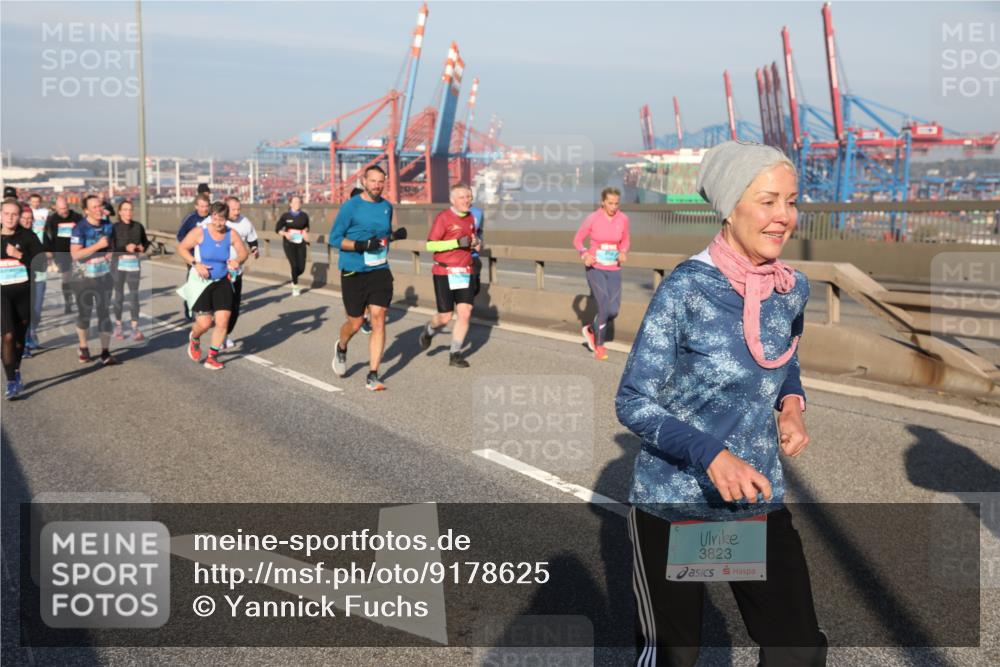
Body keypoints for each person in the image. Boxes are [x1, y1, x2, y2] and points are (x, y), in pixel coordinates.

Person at [616, 141, 825, 666]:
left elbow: (783, 359)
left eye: (791, 202)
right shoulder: (687, 289)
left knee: (796, 648)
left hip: (755, 499)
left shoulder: (789, 288)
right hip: (680, 500)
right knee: (676, 656)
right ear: (730, 207)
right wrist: (711, 453)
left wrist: (792, 405)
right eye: (768, 201)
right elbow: (633, 401)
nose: (783, 218)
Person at [327, 166, 406, 391]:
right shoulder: (350, 207)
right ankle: (341, 347)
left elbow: (381, 237)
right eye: (373, 181)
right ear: (364, 181)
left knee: (378, 318)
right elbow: (335, 239)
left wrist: (394, 236)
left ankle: (373, 374)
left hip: (379, 269)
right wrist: (360, 245)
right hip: (353, 270)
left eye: (381, 181)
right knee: (356, 322)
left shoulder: (386, 207)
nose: (377, 185)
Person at [175, 201, 248, 370]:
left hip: (222, 280)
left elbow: (243, 252)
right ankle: (195, 337)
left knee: (223, 320)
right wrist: (196, 263)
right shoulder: (201, 232)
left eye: (222, 219)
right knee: (205, 323)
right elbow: (182, 248)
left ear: (226, 218)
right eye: (215, 218)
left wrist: (237, 261)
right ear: (211, 216)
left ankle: (212, 357)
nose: (218, 223)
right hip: (202, 283)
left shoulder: (231, 234)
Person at [419, 183, 481, 368]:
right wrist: (456, 243)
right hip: (444, 271)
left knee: (465, 312)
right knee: (445, 317)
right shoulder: (443, 218)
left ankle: (455, 353)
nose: (467, 200)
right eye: (462, 197)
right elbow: (430, 245)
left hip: (465, 271)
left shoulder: (471, 218)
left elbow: (472, 239)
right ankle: (430, 329)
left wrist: (475, 242)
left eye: (469, 197)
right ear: (453, 200)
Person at [575, 187, 630, 361]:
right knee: (604, 306)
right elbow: (577, 239)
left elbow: (626, 240)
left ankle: (591, 329)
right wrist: (585, 254)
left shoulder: (623, 219)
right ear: (603, 202)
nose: (614, 207)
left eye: (616, 203)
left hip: (614, 268)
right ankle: (600, 345)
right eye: (610, 203)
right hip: (596, 268)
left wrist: (623, 250)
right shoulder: (593, 218)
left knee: (613, 310)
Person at [70, 194, 120, 366]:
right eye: (94, 207)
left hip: (104, 276)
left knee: (104, 314)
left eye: (100, 206)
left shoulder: (108, 225)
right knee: (85, 314)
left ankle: (105, 352)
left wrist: (109, 256)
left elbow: (112, 246)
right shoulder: (80, 228)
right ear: (86, 211)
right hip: (83, 278)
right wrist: (97, 246)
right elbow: (75, 254)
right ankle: (83, 347)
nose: (99, 209)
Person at [2, 199, 45, 398]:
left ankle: (16, 370)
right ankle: (11, 381)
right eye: (6, 213)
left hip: (24, 293)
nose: (10, 217)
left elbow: (41, 264)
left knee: (19, 338)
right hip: (2, 294)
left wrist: (19, 255)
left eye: (14, 214)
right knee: (8, 336)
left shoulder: (27, 236)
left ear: (19, 216)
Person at [216, 196, 259, 347]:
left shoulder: (245, 222)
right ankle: (218, 332)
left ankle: (225, 334)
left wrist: (254, 248)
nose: (236, 212)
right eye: (233, 209)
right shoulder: (219, 222)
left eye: (238, 209)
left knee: (234, 306)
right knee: (223, 305)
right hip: (220, 270)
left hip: (236, 271)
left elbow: (252, 238)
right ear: (227, 209)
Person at [110, 200, 149, 341]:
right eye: (125, 209)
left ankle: (134, 328)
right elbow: (111, 249)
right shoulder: (114, 228)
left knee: (134, 297)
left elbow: (145, 242)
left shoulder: (138, 227)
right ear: (120, 212)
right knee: (119, 296)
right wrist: (125, 249)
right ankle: (118, 326)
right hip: (118, 266)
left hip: (133, 266)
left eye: (130, 209)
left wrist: (141, 248)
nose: (128, 212)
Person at [43, 195, 83, 314]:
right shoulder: (51, 219)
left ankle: (81, 300)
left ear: (68, 206)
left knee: (78, 278)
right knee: (66, 277)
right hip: (61, 253)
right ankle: (68, 302)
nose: (64, 211)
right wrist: (49, 251)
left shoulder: (77, 217)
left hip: (76, 251)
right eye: (61, 209)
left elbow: (84, 231)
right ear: (55, 208)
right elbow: (46, 236)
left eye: (65, 208)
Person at [176, 194, 212, 321]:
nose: (204, 209)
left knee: (209, 281)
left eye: (206, 206)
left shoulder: (213, 218)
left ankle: (207, 310)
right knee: (193, 282)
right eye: (201, 206)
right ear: (196, 206)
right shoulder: (190, 218)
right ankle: (189, 307)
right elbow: (180, 235)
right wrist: (190, 246)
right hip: (192, 257)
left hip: (208, 256)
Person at [18, 207, 46, 356]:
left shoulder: (34, 235)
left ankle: (29, 338)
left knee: (33, 311)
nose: (27, 221)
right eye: (24, 218)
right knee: (22, 315)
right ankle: (23, 345)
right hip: (17, 281)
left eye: (30, 218)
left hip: (35, 279)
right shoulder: (13, 236)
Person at [275, 195, 310, 296]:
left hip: (300, 242)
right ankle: (295, 286)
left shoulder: (304, 216)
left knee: (301, 267)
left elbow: (307, 227)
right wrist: (285, 234)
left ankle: (293, 275)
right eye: (295, 202)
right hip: (289, 243)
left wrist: (305, 232)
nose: (297, 204)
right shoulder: (286, 216)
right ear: (290, 204)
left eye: (299, 202)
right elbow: (277, 229)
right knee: (294, 265)